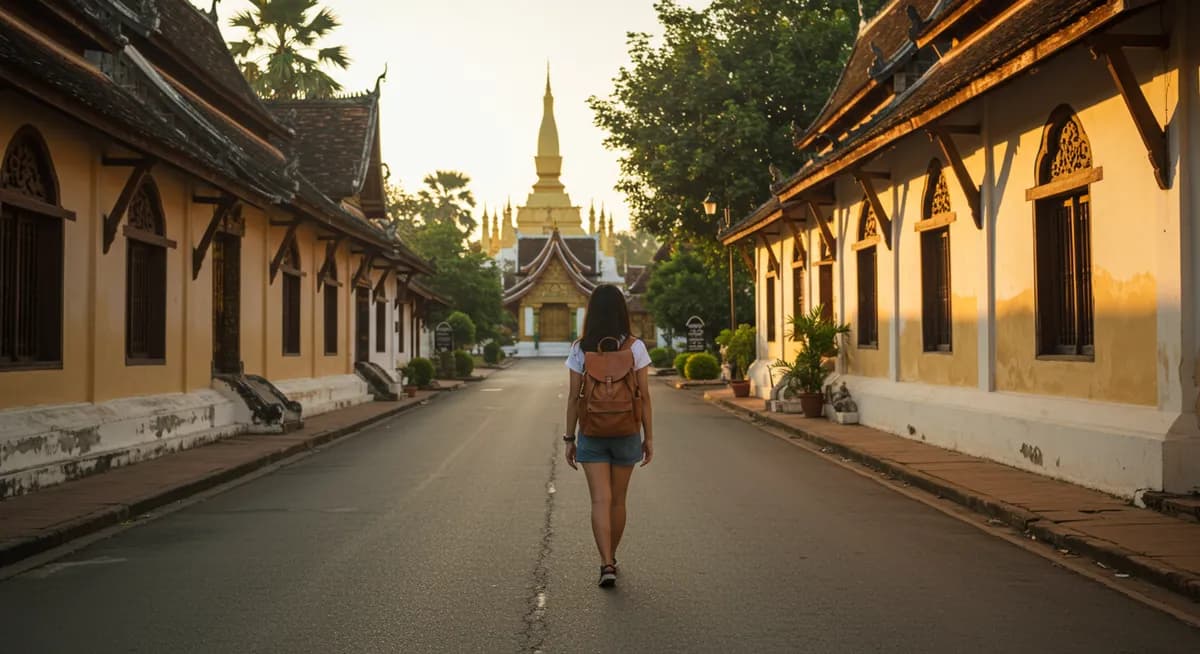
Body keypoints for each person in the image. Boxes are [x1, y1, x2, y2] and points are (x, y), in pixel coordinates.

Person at [563, 284, 654, 588]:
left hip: (591, 431)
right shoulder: (635, 346)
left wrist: (568, 439)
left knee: (600, 500)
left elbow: (574, 397)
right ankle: (612, 556)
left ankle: (606, 562)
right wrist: (649, 437)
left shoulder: (580, 348)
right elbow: (644, 396)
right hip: (628, 430)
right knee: (618, 501)